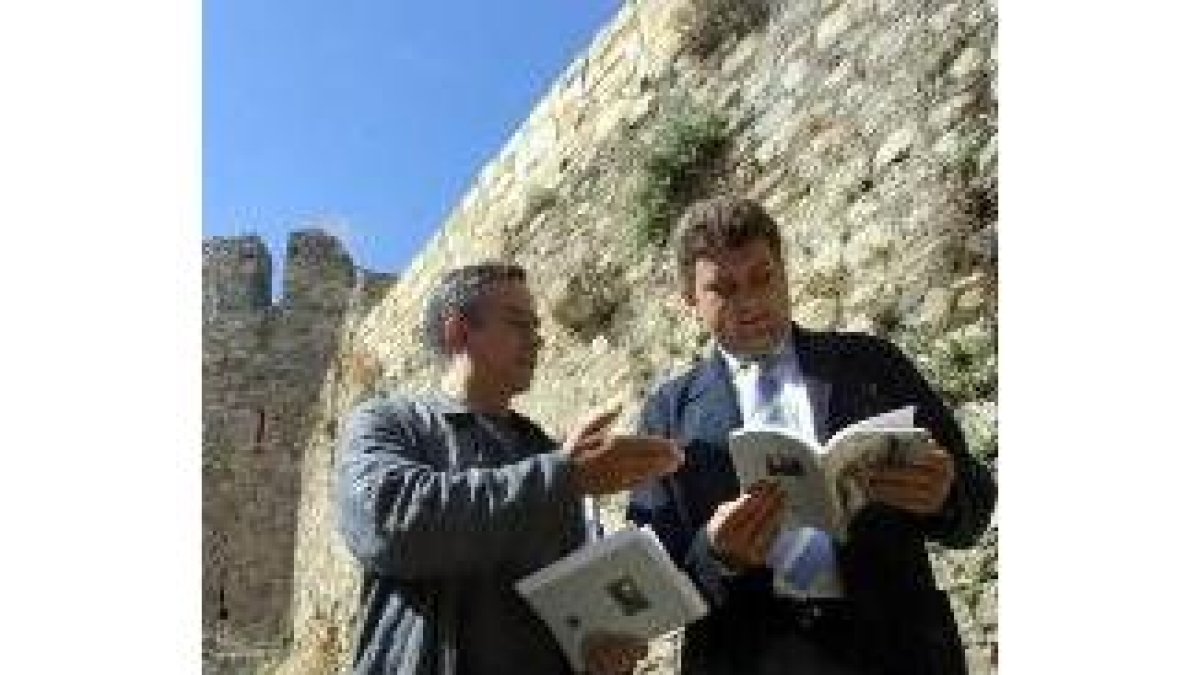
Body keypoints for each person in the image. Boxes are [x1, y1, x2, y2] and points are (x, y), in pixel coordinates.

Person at [627, 196, 997, 675]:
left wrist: (945, 496)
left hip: (898, 651)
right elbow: (653, 579)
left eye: (763, 277)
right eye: (724, 289)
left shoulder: (873, 365)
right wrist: (717, 555)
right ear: (690, 300)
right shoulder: (667, 415)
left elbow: (975, 504)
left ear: (783, 270)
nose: (750, 303)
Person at [337, 262, 683, 675]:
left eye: (537, 327)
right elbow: (388, 523)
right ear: (459, 332)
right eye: (519, 324)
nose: (537, 341)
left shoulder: (546, 452)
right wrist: (561, 477)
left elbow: (571, 600)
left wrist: (600, 650)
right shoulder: (388, 423)